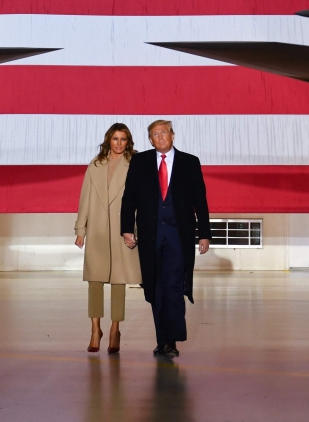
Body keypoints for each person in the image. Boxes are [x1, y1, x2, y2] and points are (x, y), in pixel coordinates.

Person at [121, 120, 211, 358]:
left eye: (163, 132)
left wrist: (204, 234)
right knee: (155, 288)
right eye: (154, 135)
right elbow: (129, 198)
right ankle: (161, 340)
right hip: (150, 237)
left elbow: (200, 201)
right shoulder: (140, 162)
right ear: (150, 140)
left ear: (172, 135)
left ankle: (171, 340)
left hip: (177, 237)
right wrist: (126, 228)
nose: (160, 137)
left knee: (172, 286)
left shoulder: (190, 163)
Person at [75, 123, 142, 353]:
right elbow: (85, 198)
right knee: (94, 280)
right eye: (115, 139)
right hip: (97, 229)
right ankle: (95, 329)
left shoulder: (135, 164)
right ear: (108, 140)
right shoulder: (95, 165)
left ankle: (115, 329)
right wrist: (80, 230)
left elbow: (139, 201)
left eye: (123, 139)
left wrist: (135, 229)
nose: (119, 143)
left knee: (118, 281)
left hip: (122, 228)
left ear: (128, 141)